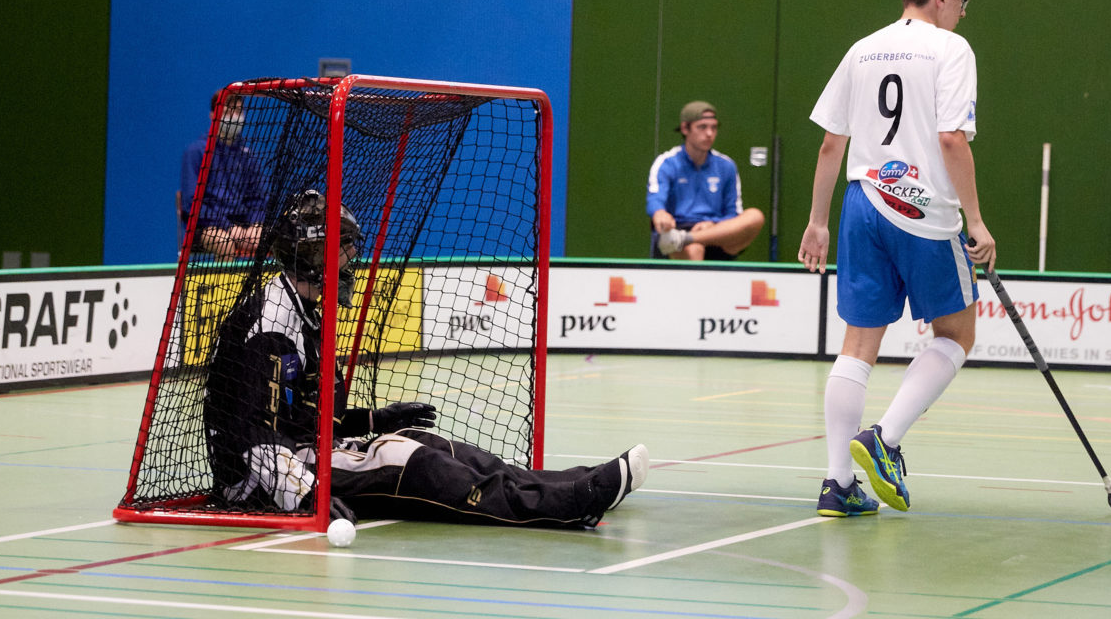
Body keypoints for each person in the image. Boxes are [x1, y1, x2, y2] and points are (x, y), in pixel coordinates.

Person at [204, 189, 649, 528]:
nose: (351, 261)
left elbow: (301, 414)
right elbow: (253, 435)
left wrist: (373, 420)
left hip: (307, 453)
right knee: (409, 459)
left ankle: (571, 481)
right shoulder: (271, 326)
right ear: (311, 256)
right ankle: (566, 506)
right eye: (342, 250)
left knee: (437, 445)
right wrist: (304, 495)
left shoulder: (303, 313)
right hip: (268, 480)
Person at [797, 0, 996, 517]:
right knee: (956, 334)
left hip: (862, 204)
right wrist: (976, 220)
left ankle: (837, 485)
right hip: (923, 211)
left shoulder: (862, 50)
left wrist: (816, 221)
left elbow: (832, 142)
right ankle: (884, 439)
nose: (962, 13)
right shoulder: (952, 49)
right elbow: (952, 139)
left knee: (858, 346)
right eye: (962, 1)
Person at [646, 101, 765, 260]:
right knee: (694, 249)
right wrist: (660, 214)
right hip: (677, 232)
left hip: (715, 233)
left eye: (713, 127)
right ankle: (685, 240)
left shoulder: (726, 166)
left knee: (755, 216)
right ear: (685, 129)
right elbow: (655, 199)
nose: (709, 133)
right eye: (702, 127)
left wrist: (713, 224)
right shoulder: (666, 162)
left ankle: (689, 239)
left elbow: (733, 213)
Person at [179, 93, 267, 260]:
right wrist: (228, 227)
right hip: (206, 225)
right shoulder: (196, 152)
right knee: (224, 242)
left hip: (243, 225)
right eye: (228, 111)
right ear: (213, 115)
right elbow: (191, 204)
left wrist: (255, 225)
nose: (234, 117)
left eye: (239, 111)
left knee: (269, 238)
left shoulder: (247, 156)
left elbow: (258, 198)